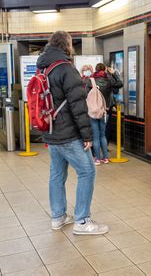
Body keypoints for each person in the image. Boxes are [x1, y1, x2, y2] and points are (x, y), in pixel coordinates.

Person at [36, 30, 108, 235]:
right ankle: (82, 221)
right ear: (67, 45)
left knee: (57, 174)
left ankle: (58, 217)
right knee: (87, 171)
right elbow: (78, 105)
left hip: (50, 130)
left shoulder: (42, 68)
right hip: (68, 133)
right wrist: (87, 136)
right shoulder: (66, 69)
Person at [86, 63, 123, 165]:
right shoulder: (109, 80)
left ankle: (97, 159)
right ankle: (105, 158)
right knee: (103, 135)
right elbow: (120, 84)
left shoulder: (91, 81)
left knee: (96, 136)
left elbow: (85, 95)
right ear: (105, 70)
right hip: (104, 112)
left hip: (93, 112)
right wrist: (114, 73)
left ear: (96, 70)